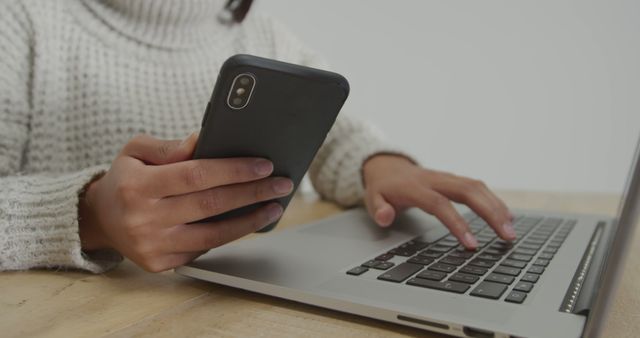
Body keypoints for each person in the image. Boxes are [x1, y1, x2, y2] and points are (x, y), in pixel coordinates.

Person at [0, 0, 514, 273]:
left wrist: (381, 165)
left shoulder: (265, 37)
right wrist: (87, 215)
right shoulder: (21, 19)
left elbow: (336, 136)